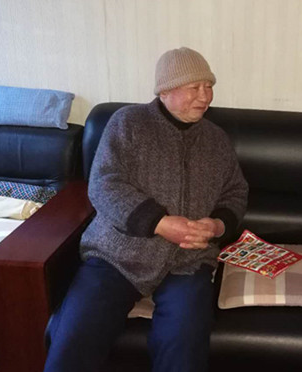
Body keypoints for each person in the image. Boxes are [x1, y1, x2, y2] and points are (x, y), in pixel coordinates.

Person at [45, 47, 248, 372]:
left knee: (183, 344)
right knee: (73, 338)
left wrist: (217, 226)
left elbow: (236, 192)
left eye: (209, 86)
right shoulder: (128, 123)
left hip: (187, 261)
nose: (205, 96)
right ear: (165, 91)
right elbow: (104, 184)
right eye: (194, 87)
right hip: (117, 256)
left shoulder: (216, 140)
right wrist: (159, 223)